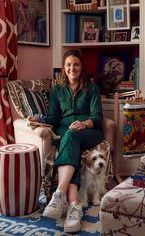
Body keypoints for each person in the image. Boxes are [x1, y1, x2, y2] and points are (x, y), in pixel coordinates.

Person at [28, 50, 104, 233]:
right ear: (64, 68)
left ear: (82, 66)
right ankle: (74, 206)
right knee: (70, 142)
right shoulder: (57, 90)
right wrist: (40, 120)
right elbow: (54, 118)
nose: (72, 68)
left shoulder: (92, 88)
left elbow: (98, 117)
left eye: (76, 64)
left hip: (90, 132)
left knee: (70, 137)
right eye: (68, 64)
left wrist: (85, 123)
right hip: (66, 132)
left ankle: (59, 193)